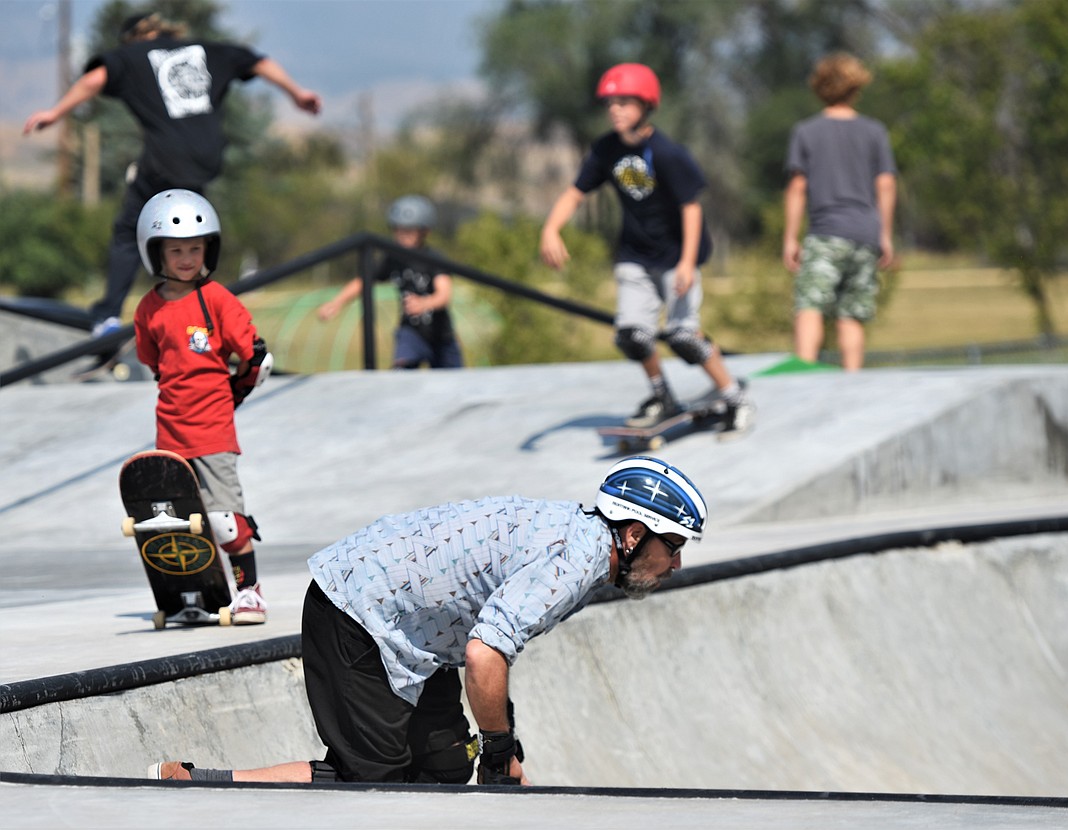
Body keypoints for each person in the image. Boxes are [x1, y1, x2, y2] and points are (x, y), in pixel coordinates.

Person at [150, 456, 707, 785]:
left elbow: (494, 638)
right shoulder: (575, 562)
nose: (676, 563)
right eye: (674, 545)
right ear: (633, 535)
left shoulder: (583, 544)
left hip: (412, 630)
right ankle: (197, 784)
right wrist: (497, 745)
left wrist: (501, 745)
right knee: (376, 789)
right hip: (358, 614)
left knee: (443, 766)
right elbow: (484, 653)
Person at [23, 11, 322, 337]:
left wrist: (55, 113)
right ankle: (201, 314)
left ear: (134, 38)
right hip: (204, 162)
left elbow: (95, 78)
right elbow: (258, 62)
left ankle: (108, 315)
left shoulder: (131, 54)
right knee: (192, 236)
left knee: (129, 231)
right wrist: (296, 93)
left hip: (164, 160)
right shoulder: (206, 49)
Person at [540, 63, 753, 437]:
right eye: (610, 103)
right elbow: (575, 193)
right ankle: (661, 396)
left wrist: (688, 261)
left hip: (676, 256)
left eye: (624, 102)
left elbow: (691, 207)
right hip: (635, 255)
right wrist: (551, 229)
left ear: (646, 104)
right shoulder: (606, 150)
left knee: (684, 337)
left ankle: (735, 398)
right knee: (632, 335)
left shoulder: (667, 153)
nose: (615, 110)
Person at [133, 189, 273, 624]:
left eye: (195, 248)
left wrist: (235, 392)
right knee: (178, 523)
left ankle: (249, 592)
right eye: (176, 250)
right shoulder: (148, 310)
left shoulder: (215, 299)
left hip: (212, 430)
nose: (187, 257)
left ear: (208, 248)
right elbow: (155, 363)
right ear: (156, 252)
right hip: (170, 433)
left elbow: (256, 357)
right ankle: (194, 594)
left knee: (225, 519)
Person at [782, 52, 897, 372]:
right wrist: (885, 235)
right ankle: (852, 383)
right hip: (865, 234)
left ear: (819, 88)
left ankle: (803, 374)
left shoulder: (806, 132)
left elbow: (797, 188)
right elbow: (886, 185)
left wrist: (791, 238)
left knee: (809, 306)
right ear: (857, 87)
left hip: (826, 233)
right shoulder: (875, 131)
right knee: (852, 316)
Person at [316, 195, 463, 369]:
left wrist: (425, 303)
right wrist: (337, 302)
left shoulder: (433, 259)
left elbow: (444, 294)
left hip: (441, 336)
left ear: (424, 231)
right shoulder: (392, 259)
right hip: (411, 332)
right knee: (401, 369)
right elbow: (364, 281)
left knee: (453, 381)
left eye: (409, 231)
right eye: (397, 230)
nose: (402, 235)